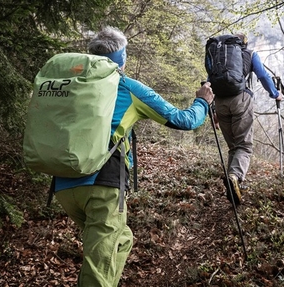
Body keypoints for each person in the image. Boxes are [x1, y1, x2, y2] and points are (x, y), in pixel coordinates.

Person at [53, 26, 214, 287]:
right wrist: (203, 102)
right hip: (102, 185)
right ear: (122, 58)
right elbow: (183, 120)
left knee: (121, 239)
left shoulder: (72, 84)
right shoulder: (126, 87)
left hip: (64, 184)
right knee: (98, 269)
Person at [212, 33, 283, 205]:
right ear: (244, 43)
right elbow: (263, 76)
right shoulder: (250, 54)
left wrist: (214, 110)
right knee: (244, 146)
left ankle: (232, 186)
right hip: (240, 100)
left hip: (220, 102)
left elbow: (210, 81)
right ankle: (235, 176)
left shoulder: (219, 58)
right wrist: (275, 94)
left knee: (233, 147)